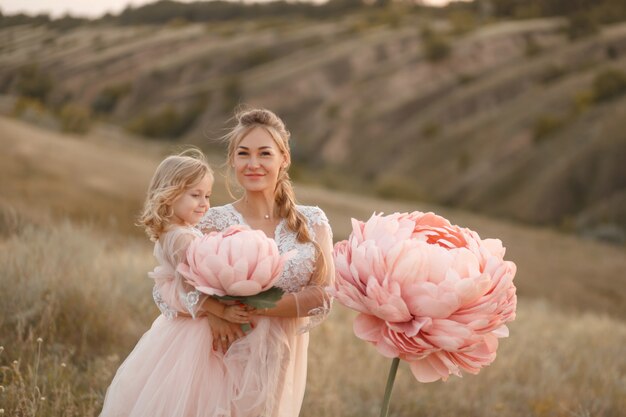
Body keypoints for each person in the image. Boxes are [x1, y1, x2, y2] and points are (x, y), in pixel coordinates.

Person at [197, 108, 335, 417]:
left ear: (284, 158)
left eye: (264, 153)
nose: (253, 164)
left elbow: (323, 296)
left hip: (279, 359)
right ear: (232, 159)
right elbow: (175, 289)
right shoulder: (211, 222)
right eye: (243, 154)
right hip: (218, 356)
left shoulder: (313, 222)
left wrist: (257, 307)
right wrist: (215, 310)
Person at [100, 149, 257, 417]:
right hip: (192, 336)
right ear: (170, 195)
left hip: (185, 330)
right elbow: (190, 289)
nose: (204, 203)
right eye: (195, 195)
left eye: (207, 195)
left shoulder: (181, 232)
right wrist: (224, 311)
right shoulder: (180, 238)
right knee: (191, 399)